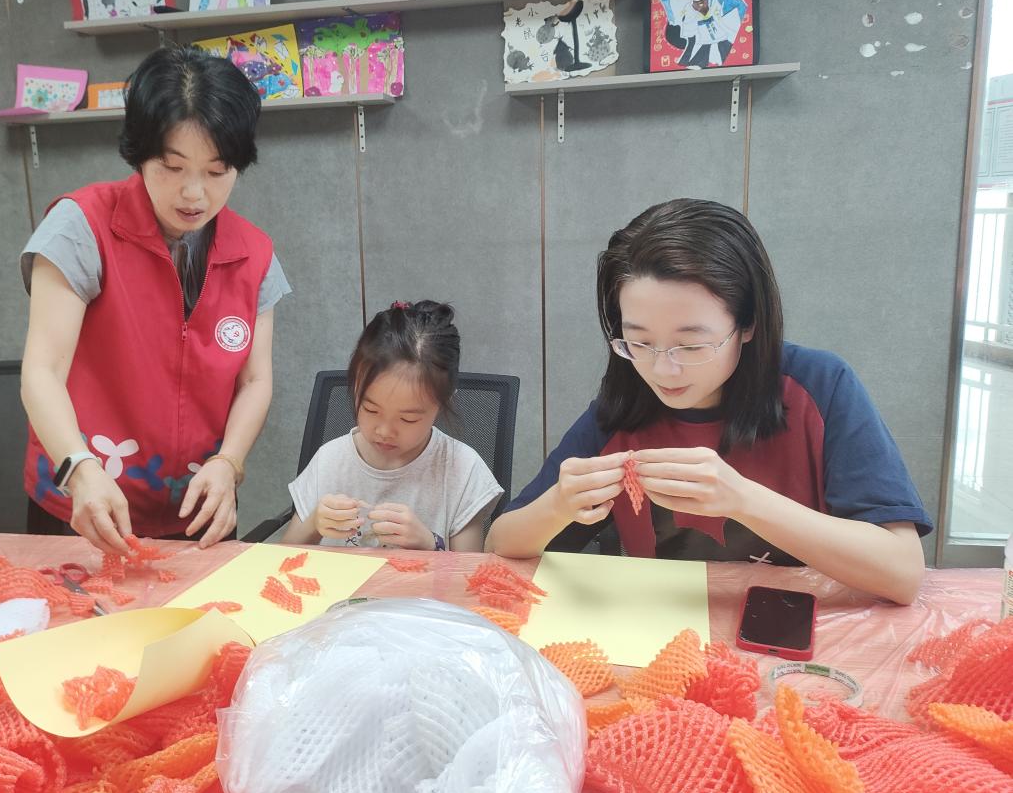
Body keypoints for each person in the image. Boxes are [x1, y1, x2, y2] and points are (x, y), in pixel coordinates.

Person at [487, 199, 930, 604]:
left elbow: (903, 573)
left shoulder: (821, 386)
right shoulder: (623, 407)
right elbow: (499, 544)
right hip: (664, 632)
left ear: (748, 323)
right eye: (639, 342)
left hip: (798, 633)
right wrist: (558, 504)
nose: (662, 370)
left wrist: (743, 500)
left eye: (692, 345)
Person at [20, 46, 290, 554]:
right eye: (172, 166)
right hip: (86, 499)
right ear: (140, 153)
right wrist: (79, 468)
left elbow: (255, 380)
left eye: (216, 172)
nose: (194, 194)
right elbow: (43, 370)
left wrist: (229, 463)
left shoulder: (253, 253)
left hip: (197, 505)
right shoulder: (82, 226)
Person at [283, 301, 503, 552]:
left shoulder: (462, 469)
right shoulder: (330, 460)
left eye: (408, 419)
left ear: (443, 403)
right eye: (370, 409)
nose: (384, 431)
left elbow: (469, 570)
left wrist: (430, 544)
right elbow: (281, 556)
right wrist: (314, 524)